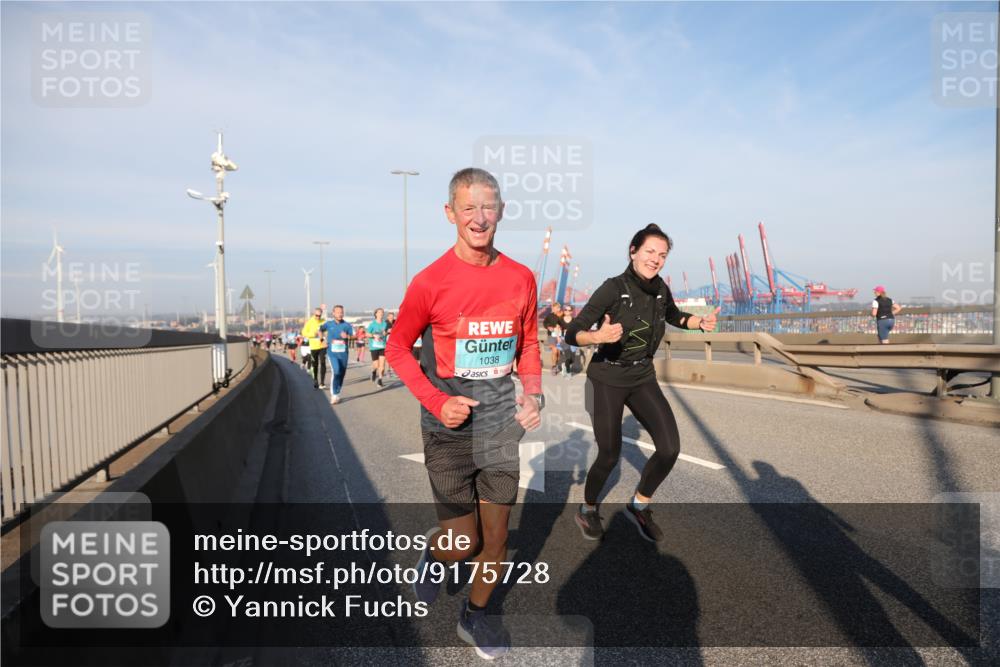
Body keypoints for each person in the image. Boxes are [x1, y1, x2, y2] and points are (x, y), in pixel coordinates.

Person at [385, 167, 542, 660]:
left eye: (488, 206)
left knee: (495, 539)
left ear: (502, 211)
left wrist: (534, 394)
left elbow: (529, 343)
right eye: (468, 207)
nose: (479, 217)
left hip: (499, 429)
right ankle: (436, 553)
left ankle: (474, 615)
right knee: (462, 544)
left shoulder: (521, 277)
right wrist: (438, 402)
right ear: (450, 213)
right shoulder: (430, 282)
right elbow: (396, 349)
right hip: (447, 433)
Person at [564, 224, 719, 543]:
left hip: (642, 376)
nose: (656, 259)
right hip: (605, 378)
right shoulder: (611, 288)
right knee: (610, 454)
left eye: (662, 255)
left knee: (670, 448)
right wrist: (597, 336)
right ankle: (588, 508)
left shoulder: (661, 288)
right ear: (633, 251)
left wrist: (699, 322)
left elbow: (674, 315)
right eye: (650, 251)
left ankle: (639, 505)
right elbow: (572, 332)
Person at [320, 305, 354, 404]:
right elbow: (320, 330)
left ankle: (337, 392)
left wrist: (347, 336)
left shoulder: (347, 325)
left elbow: (354, 336)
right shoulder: (328, 324)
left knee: (342, 373)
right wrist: (322, 340)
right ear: (333, 313)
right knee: (336, 371)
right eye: (338, 312)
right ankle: (334, 394)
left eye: (341, 312)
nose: (340, 314)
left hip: (343, 353)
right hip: (332, 352)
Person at [301, 307, 328, 389]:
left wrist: (324, 334)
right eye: (317, 315)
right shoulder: (310, 322)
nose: (318, 317)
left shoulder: (323, 321)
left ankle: (322, 383)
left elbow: (327, 331)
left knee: (323, 362)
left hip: (322, 345)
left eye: (319, 315)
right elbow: (304, 333)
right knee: (315, 364)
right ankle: (315, 380)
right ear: (314, 314)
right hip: (313, 346)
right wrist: (313, 334)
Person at [366, 308, 389, 387]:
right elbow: (367, 334)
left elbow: (386, 332)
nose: (381, 314)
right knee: (376, 365)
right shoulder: (372, 324)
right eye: (379, 312)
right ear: (376, 314)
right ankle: (373, 371)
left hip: (382, 346)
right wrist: (373, 335)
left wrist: (386, 333)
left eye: (382, 312)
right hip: (374, 347)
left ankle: (380, 380)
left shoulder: (385, 324)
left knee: (382, 366)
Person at [558, 305, 580, 376]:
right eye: (565, 310)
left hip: (572, 339)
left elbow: (577, 329)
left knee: (572, 358)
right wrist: (558, 337)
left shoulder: (574, 320)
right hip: (564, 339)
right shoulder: (560, 320)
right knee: (568, 355)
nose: (567, 311)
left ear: (571, 312)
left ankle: (565, 365)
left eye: (569, 310)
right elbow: (557, 328)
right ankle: (568, 371)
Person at [542, 303, 563, 375]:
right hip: (551, 335)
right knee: (554, 350)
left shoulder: (562, 315)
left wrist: (561, 327)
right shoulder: (549, 315)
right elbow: (545, 323)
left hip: (560, 336)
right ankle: (554, 367)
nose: (553, 309)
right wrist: (548, 327)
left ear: (559, 308)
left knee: (558, 353)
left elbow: (566, 324)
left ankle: (556, 365)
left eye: (556, 308)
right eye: (553, 308)